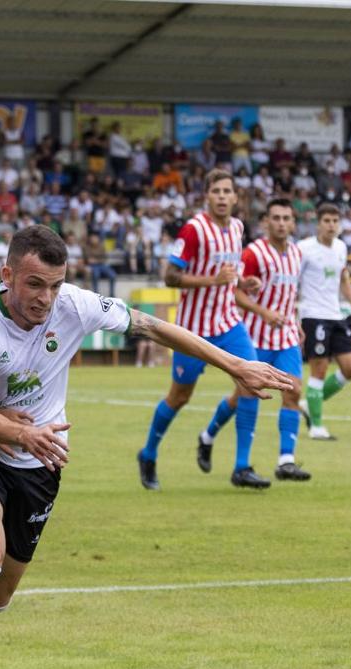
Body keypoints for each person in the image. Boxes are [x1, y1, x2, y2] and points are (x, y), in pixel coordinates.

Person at [0, 225, 294, 669]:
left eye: (54, 284)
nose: (44, 298)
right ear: (7, 276)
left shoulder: (74, 304)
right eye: (33, 284)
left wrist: (233, 364)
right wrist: (22, 435)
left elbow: (153, 328)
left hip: (42, 461)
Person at [136, 170, 268, 490]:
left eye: (227, 191)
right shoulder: (194, 230)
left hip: (228, 324)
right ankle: (148, 453)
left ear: (236, 198)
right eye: (216, 191)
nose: (222, 197)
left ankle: (241, 467)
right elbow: (170, 277)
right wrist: (214, 281)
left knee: (251, 383)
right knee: (180, 396)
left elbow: (228, 275)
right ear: (206, 196)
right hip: (192, 329)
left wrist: (242, 282)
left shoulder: (237, 228)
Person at [206, 197, 311, 481]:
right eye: (275, 218)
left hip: (286, 335)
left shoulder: (297, 254)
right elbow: (236, 292)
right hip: (254, 335)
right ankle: (211, 436)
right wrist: (263, 312)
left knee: (293, 390)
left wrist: (296, 321)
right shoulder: (253, 253)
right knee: (244, 396)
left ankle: (286, 461)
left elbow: (290, 295)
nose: (281, 223)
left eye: (286, 218)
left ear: (292, 222)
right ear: (266, 222)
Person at [295, 202, 351, 440]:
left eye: (335, 221)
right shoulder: (304, 248)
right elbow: (293, 280)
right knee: (320, 369)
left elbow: (344, 279)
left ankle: (308, 404)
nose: (331, 225)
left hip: (335, 315)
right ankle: (316, 427)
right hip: (313, 316)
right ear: (318, 223)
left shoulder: (341, 248)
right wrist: (292, 313)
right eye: (327, 221)